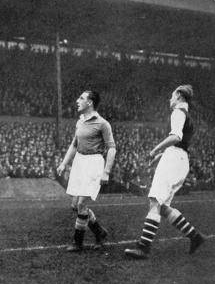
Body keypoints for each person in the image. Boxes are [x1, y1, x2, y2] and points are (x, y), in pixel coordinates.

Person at [124, 85, 205, 259]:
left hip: (174, 159)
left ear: (178, 96)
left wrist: (155, 150)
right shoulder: (186, 114)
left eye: (171, 95)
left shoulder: (178, 112)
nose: (170, 99)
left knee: (155, 201)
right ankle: (195, 237)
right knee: (162, 207)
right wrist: (162, 154)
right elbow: (180, 144)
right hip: (180, 159)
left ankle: (143, 248)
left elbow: (176, 137)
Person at [57, 90, 116, 252]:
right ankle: (99, 232)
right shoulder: (80, 121)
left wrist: (106, 171)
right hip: (79, 162)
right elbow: (74, 145)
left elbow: (112, 148)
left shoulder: (103, 123)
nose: (77, 100)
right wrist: (64, 163)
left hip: (94, 163)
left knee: (82, 203)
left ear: (90, 102)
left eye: (81, 98)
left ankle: (78, 243)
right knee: (75, 205)